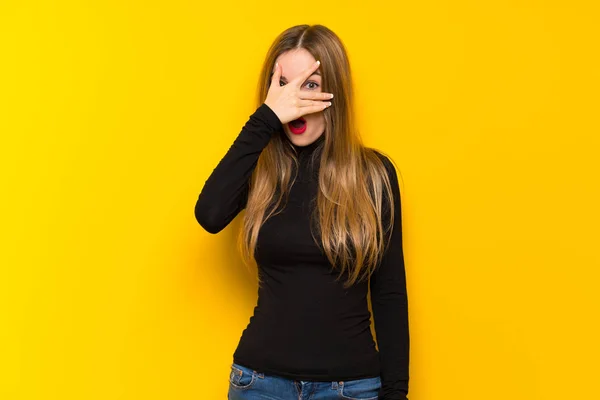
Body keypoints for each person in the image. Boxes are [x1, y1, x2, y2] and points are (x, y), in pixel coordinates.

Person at [195, 24, 410, 400]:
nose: (294, 101)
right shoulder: (261, 172)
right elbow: (210, 214)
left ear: (335, 94)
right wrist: (264, 120)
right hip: (259, 384)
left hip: (350, 388)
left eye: (309, 85)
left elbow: (389, 292)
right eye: (283, 86)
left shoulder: (373, 175)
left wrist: (395, 393)